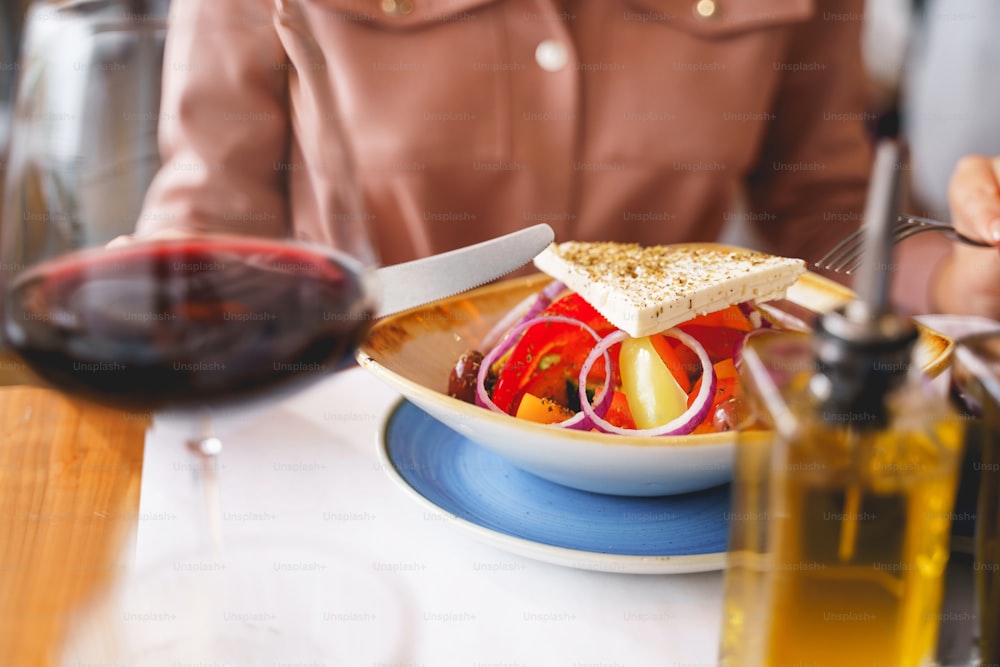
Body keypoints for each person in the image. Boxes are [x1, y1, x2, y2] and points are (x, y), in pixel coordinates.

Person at [136, 0, 874, 276]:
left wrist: (956, 278)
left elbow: (830, 216)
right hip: (350, 423)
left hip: (652, 434)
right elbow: (212, 217)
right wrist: (172, 294)